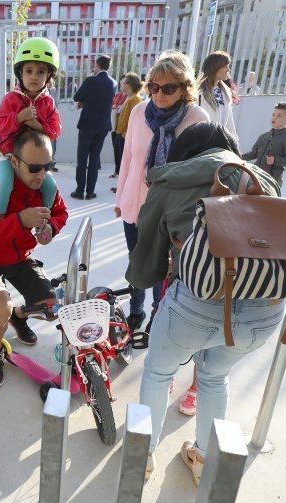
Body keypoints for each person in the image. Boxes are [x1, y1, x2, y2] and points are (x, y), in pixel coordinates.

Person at [127, 122, 282, 485]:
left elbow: (147, 258)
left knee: (159, 371)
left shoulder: (169, 182)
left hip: (197, 303)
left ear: (183, 152)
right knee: (214, 375)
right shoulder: (262, 179)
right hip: (266, 308)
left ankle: (143, 457)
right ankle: (202, 457)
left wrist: (143, 279)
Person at [114, 50, 209, 334]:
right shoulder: (140, 111)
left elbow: (201, 170)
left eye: (168, 88)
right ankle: (136, 310)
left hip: (173, 209)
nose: (159, 95)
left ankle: (159, 315)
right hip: (136, 203)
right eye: (154, 87)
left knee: (165, 269)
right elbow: (129, 158)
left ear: (185, 88)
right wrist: (121, 198)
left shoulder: (196, 117)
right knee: (137, 261)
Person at [0, 130, 68, 385]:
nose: (42, 175)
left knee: (52, 306)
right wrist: (20, 221)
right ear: (14, 162)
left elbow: (61, 213)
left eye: (48, 166)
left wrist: (50, 228)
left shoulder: (46, 187)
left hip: (20, 258)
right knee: (0, 305)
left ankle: (18, 315)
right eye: (34, 168)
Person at [0, 37, 61, 221]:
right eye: (29, 71)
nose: (34, 76)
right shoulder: (11, 99)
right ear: (20, 73)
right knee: (6, 183)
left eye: (41, 72)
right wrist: (19, 118)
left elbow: (55, 131)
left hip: (34, 161)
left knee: (51, 187)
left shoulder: (48, 102)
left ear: (48, 76)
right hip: (7, 156)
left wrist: (36, 125)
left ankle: (43, 219)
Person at [72, 55, 116, 200]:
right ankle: (90, 192)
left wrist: (86, 99)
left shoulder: (91, 80)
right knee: (94, 159)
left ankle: (79, 191)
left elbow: (77, 97)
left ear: (96, 65)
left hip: (88, 124)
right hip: (103, 125)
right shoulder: (113, 83)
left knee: (82, 159)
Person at [241, 101, 286, 190]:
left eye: (279, 116)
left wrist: (275, 160)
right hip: (256, 175)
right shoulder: (263, 136)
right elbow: (253, 154)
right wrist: (238, 156)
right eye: (274, 114)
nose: (274, 118)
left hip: (273, 178)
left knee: (268, 202)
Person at [110, 73, 143, 193]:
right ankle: (121, 186)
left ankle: (124, 188)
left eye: (123, 83)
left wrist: (124, 134)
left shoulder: (135, 99)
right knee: (122, 163)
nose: (121, 85)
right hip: (121, 134)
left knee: (127, 164)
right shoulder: (128, 98)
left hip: (125, 136)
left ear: (128, 85)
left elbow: (135, 120)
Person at [198, 51, 238, 140]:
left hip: (220, 144)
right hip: (203, 144)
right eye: (225, 66)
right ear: (214, 68)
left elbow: (230, 123)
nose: (228, 69)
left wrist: (235, 144)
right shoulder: (198, 93)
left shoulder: (225, 92)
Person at [109, 80, 128, 179]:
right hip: (114, 126)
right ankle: (117, 171)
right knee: (116, 149)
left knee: (121, 151)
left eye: (123, 83)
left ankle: (122, 172)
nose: (121, 85)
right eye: (121, 83)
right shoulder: (118, 95)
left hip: (122, 128)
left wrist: (118, 107)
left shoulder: (129, 97)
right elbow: (112, 105)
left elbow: (123, 109)